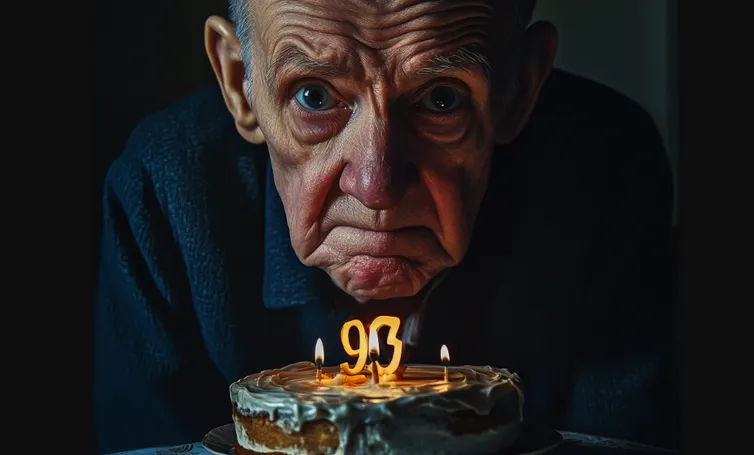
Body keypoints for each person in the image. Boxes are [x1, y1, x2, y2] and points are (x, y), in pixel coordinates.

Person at [93, 0, 678, 453]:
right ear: (241, 83)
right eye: (315, 95)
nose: (375, 188)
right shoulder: (164, 190)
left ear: (519, 89)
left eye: (441, 99)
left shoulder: (606, 169)